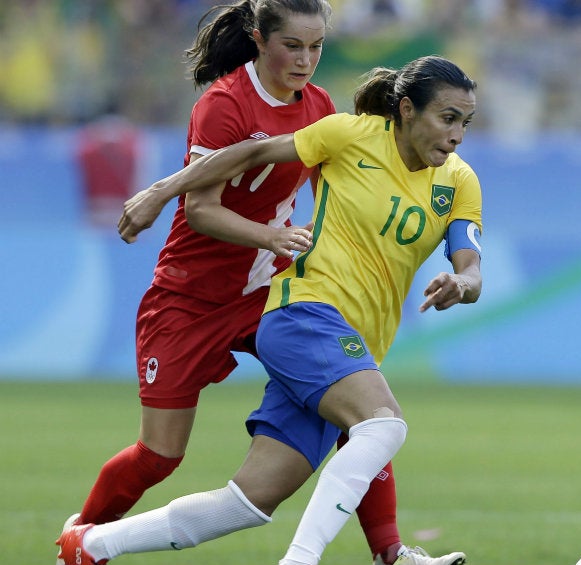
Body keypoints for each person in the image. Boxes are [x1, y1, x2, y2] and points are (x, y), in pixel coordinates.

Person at [59, 2, 463, 564]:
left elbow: (346, 186)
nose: (306, 60)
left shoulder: (319, 105)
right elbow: (201, 210)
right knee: (159, 456)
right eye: (293, 46)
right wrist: (254, 231)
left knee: (355, 398)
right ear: (258, 39)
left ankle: (390, 551)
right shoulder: (224, 104)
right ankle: (81, 539)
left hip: (270, 293)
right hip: (191, 296)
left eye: (317, 46)